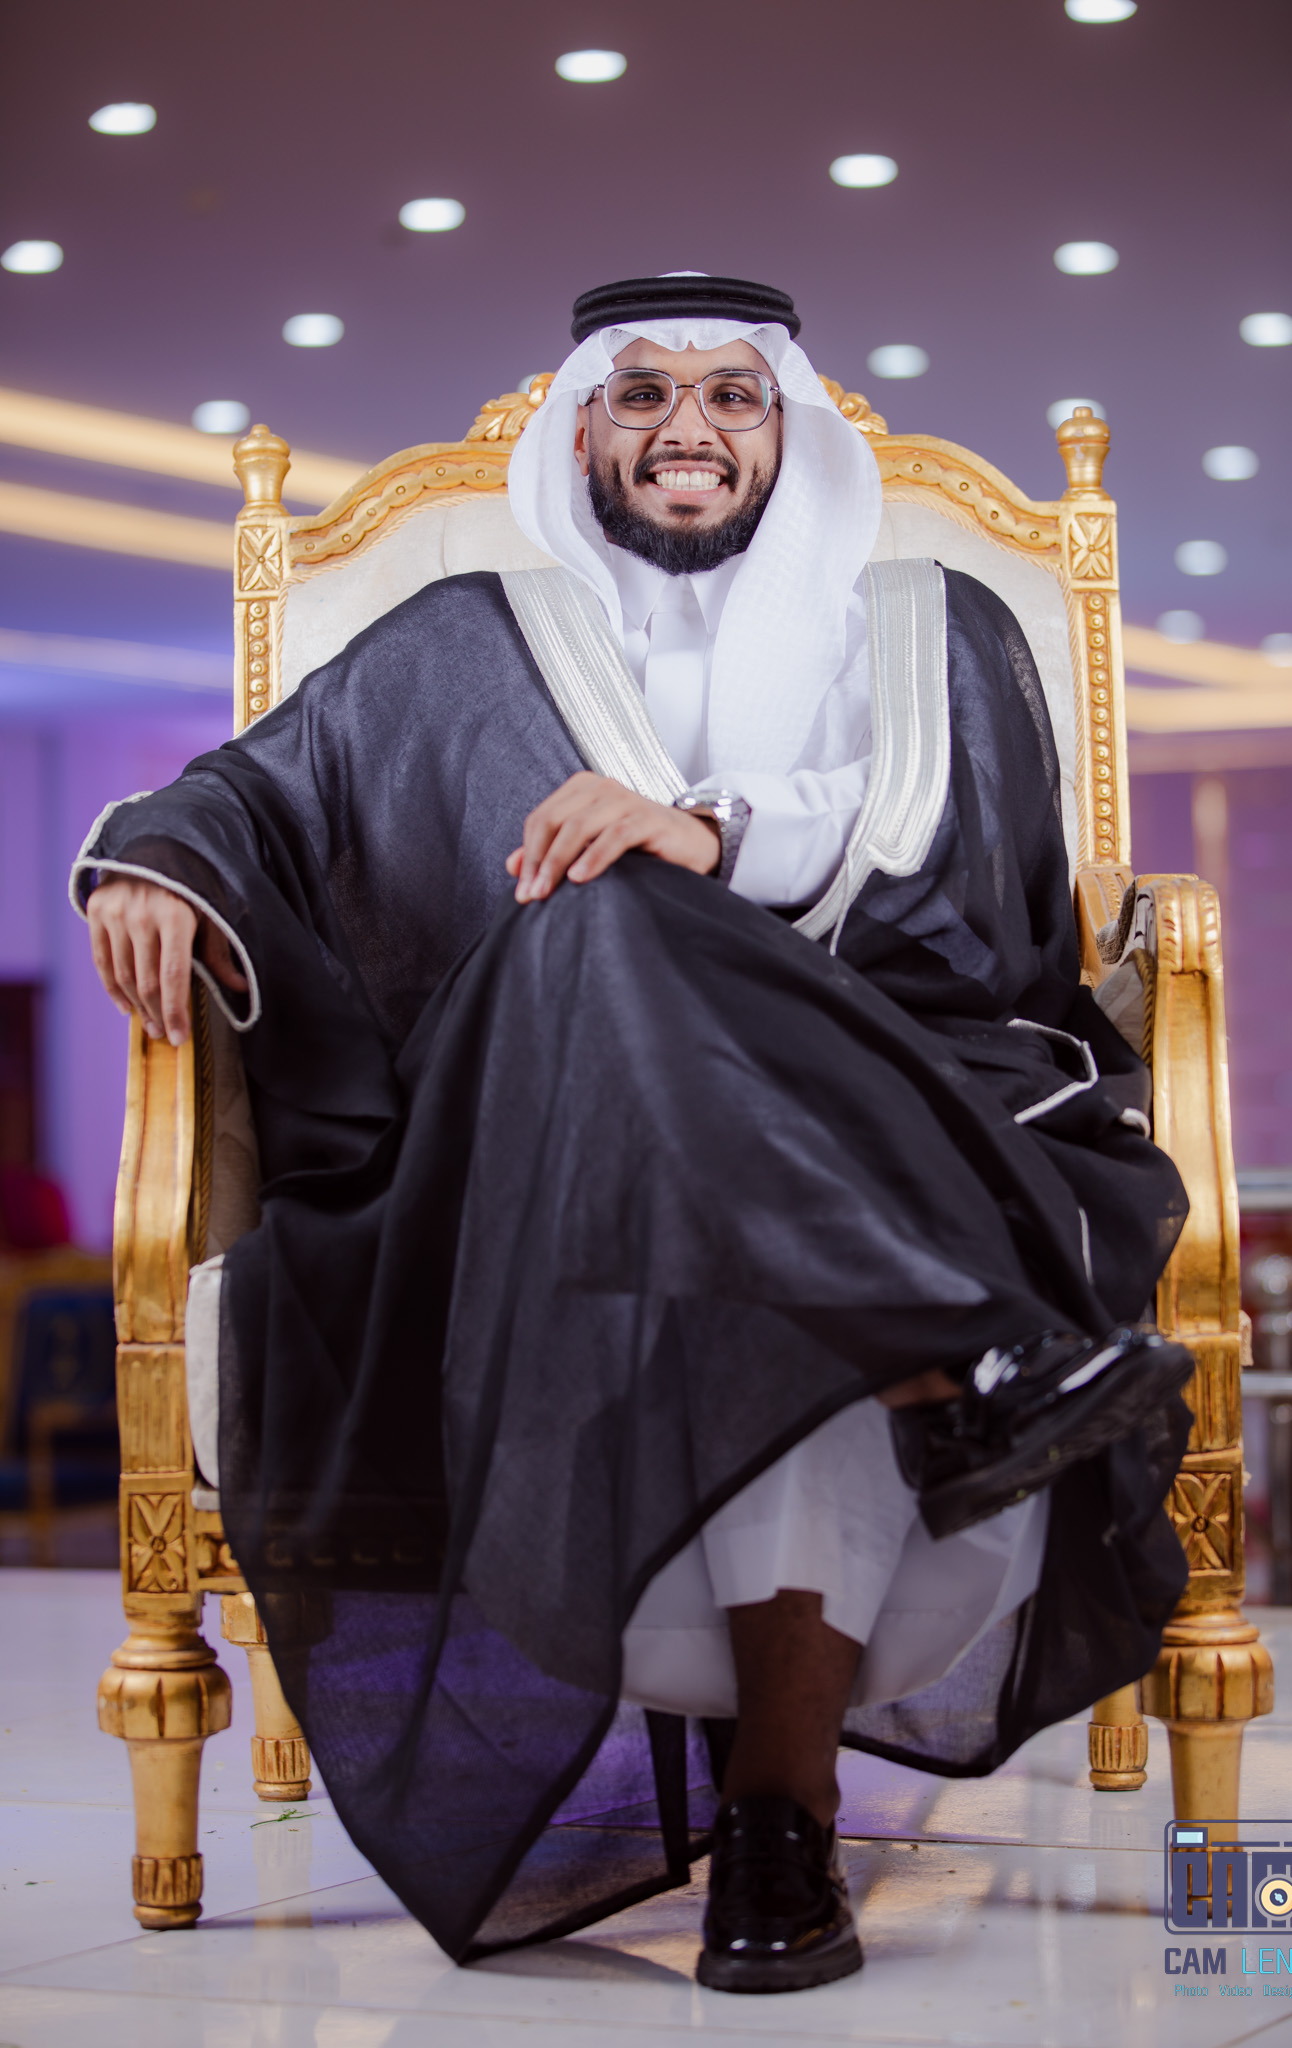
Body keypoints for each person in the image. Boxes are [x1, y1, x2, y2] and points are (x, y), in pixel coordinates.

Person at [79, 272, 1193, 1994]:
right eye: (643, 394)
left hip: (908, 1093)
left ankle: (778, 1807)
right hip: (556, 1131)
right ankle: (941, 1363)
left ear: (785, 429)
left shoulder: (932, 622)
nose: (688, 429)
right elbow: (255, 790)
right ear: (583, 428)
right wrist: (152, 856)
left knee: (717, 1148)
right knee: (596, 918)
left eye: (731, 395)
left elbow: (985, 886)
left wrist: (708, 829)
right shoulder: (460, 640)